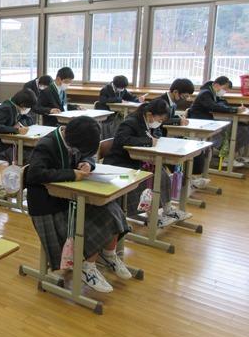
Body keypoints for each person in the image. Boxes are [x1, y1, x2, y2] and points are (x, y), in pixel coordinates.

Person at [25, 116, 131, 293]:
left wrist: (87, 164)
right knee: (95, 223)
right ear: (71, 138)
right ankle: (87, 268)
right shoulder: (47, 145)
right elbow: (34, 174)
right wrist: (71, 174)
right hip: (48, 206)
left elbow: (88, 155)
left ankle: (108, 255)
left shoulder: (76, 139)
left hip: (68, 198)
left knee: (111, 210)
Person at [104, 99, 190, 227]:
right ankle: (152, 215)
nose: (159, 123)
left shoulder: (146, 120)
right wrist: (149, 142)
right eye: (159, 120)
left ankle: (167, 209)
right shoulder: (131, 122)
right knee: (150, 179)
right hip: (120, 165)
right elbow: (122, 140)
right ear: (150, 114)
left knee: (162, 174)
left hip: (136, 161)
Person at [188, 76, 249, 168]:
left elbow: (222, 103)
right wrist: (235, 110)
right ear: (216, 85)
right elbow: (213, 107)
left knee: (242, 128)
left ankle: (229, 155)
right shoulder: (206, 93)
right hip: (200, 122)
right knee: (230, 128)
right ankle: (227, 156)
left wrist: (232, 108)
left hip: (207, 120)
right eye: (224, 89)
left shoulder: (213, 92)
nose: (224, 91)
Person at [0, 89, 35, 162]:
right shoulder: (5, 108)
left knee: (31, 148)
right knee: (27, 151)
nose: (28, 109)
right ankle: (22, 167)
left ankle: (24, 166)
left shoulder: (15, 108)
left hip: (7, 139)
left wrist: (20, 124)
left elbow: (30, 120)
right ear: (22, 104)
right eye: (28, 107)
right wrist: (17, 130)